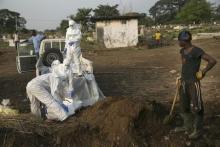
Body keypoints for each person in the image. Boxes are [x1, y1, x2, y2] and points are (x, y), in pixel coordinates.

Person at [174, 30, 217, 139]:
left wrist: (203, 71)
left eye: (179, 40)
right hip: (184, 82)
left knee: (196, 106)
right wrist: (181, 76)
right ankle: (187, 126)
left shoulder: (196, 51)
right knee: (184, 105)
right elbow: (185, 65)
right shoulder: (182, 51)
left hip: (193, 83)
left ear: (185, 41)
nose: (178, 42)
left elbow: (212, 61)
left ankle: (198, 130)